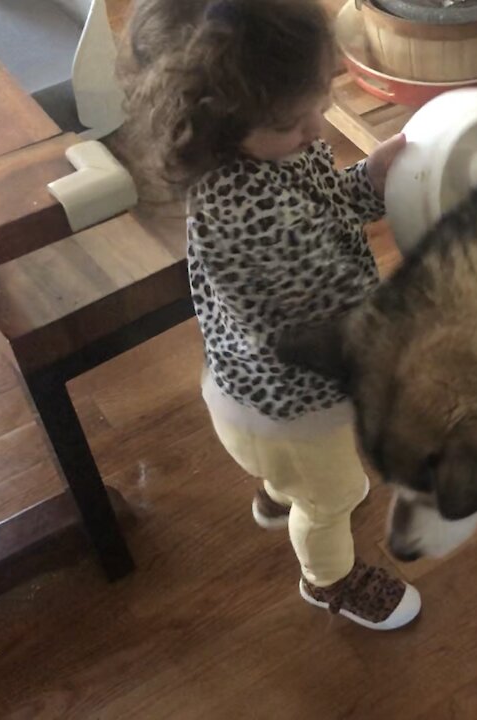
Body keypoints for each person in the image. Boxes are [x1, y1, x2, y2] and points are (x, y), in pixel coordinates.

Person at [120, 0, 417, 630]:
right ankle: (329, 580)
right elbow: (340, 322)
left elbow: (327, 201)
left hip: (257, 388)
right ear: (216, 126)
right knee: (339, 494)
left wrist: (371, 177)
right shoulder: (246, 218)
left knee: (298, 476)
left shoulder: (268, 150)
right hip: (292, 401)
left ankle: (280, 490)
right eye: (295, 118)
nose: (318, 125)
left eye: (319, 99)